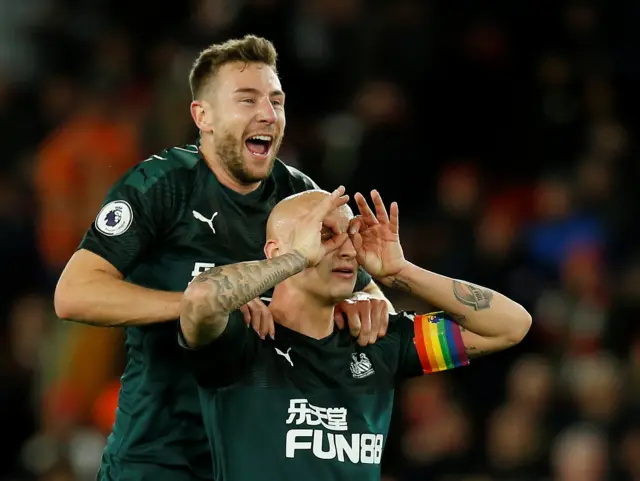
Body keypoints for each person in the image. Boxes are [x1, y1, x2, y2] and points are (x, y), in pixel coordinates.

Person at [53, 35, 392, 481]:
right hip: (160, 457)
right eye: (247, 100)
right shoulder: (161, 186)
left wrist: (368, 305)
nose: (268, 115)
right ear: (203, 116)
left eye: (276, 101)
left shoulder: (299, 197)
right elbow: (73, 294)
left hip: (259, 460)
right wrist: (201, 305)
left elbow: (373, 299)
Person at [179, 187, 533, 481]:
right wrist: (296, 258)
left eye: (351, 235)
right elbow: (199, 299)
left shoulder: (377, 340)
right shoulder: (243, 339)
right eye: (325, 234)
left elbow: (511, 326)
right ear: (276, 251)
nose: (348, 248)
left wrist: (401, 272)